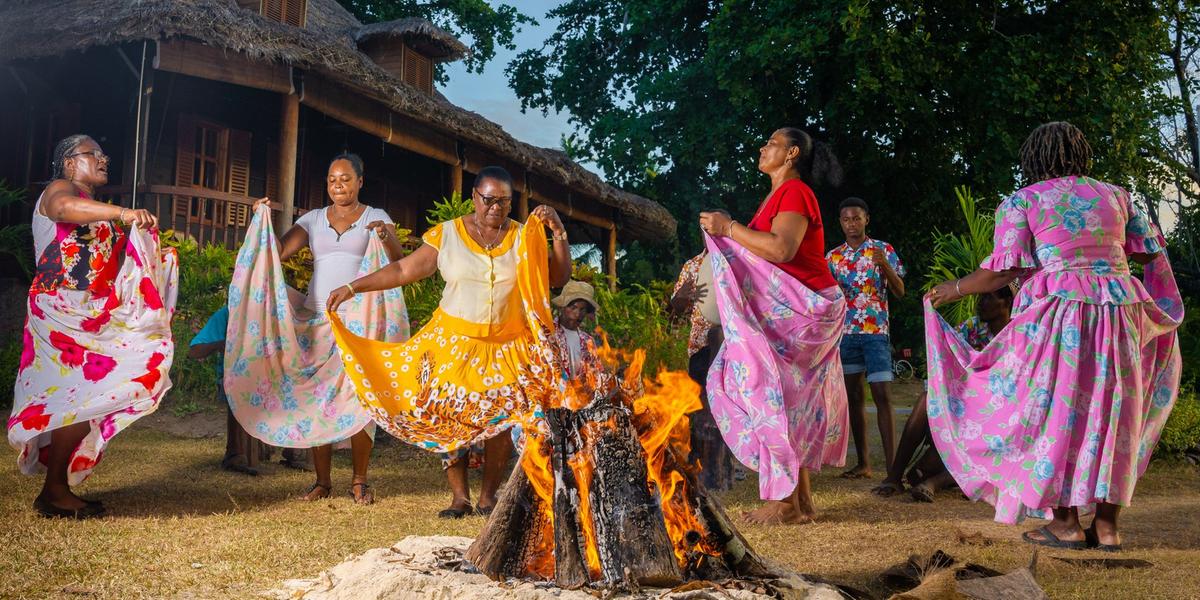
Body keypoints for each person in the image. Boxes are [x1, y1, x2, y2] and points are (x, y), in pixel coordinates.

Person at [925, 122, 1183, 551]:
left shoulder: (1024, 200)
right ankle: (1107, 528)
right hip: (1120, 309)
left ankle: (1064, 524)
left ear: (1034, 160)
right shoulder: (1116, 196)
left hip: (1060, 311)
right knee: (1112, 410)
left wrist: (953, 289)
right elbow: (1151, 252)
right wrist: (1159, 304)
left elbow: (1002, 271)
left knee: (1056, 411)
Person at [326, 166, 572, 519]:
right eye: (488, 200)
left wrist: (558, 233)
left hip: (506, 347)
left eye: (503, 201)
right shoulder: (448, 234)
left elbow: (558, 277)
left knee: (500, 423)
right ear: (474, 197)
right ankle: (460, 498)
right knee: (446, 415)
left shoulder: (523, 237)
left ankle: (488, 497)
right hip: (453, 343)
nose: (495, 208)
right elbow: (403, 270)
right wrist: (353, 287)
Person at [225, 153, 409, 505]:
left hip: (359, 322)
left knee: (359, 399)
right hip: (317, 319)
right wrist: (261, 219)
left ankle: (359, 481)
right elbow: (276, 252)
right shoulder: (312, 220)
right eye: (331, 180)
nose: (338, 185)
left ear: (360, 181)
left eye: (345, 179)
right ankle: (322, 481)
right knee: (318, 398)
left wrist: (385, 236)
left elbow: (398, 259)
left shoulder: (376, 217)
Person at [9, 134, 176, 518]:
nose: (104, 159)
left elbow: (113, 266)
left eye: (103, 153)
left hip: (93, 312)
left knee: (92, 393)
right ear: (70, 163)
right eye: (93, 154)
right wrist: (121, 214)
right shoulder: (61, 189)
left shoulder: (98, 212)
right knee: (77, 396)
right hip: (59, 308)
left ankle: (55, 488)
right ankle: (54, 490)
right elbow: (62, 210)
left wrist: (154, 258)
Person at [698, 127, 848, 524]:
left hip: (805, 310)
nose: (763, 148)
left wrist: (728, 228)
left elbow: (782, 249)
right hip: (800, 308)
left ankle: (784, 503)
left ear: (792, 153)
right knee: (787, 399)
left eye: (772, 144)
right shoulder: (780, 194)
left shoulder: (794, 192)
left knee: (766, 392)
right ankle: (800, 504)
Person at [871, 286, 1014, 502]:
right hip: (965, 405)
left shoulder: (1017, 335)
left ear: (1006, 303)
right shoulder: (972, 327)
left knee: (982, 447)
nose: (980, 302)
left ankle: (932, 482)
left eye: (987, 297)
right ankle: (894, 477)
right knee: (925, 401)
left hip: (996, 418)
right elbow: (946, 351)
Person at [826, 197, 906, 479]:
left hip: (876, 333)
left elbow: (900, 291)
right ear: (840, 223)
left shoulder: (883, 250)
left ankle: (894, 467)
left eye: (857, 218)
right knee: (854, 397)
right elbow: (826, 298)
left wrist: (884, 265)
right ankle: (864, 464)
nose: (852, 224)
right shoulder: (833, 257)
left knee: (882, 394)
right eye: (846, 219)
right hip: (845, 335)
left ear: (866, 219)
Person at [669, 248, 736, 491]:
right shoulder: (693, 265)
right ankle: (700, 465)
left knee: (729, 404)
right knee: (701, 407)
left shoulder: (738, 258)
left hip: (736, 345)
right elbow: (675, 311)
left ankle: (725, 466)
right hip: (700, 347)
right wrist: (682, 297)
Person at [187, 306, 262, 475]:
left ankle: (295, 452)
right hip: (235, 379)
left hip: (265, 377)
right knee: (240, 388)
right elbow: (194, 351)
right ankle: (235, 454)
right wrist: (222, 343)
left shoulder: (270, 310)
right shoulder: (226, 314)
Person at [551, 280, 604, 384]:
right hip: (553, 397)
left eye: (582, 309)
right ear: (562, 306)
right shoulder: (547, 334)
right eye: (573, 307)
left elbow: (596, 374)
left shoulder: (588, 341)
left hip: (580, 398)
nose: (577, 314)